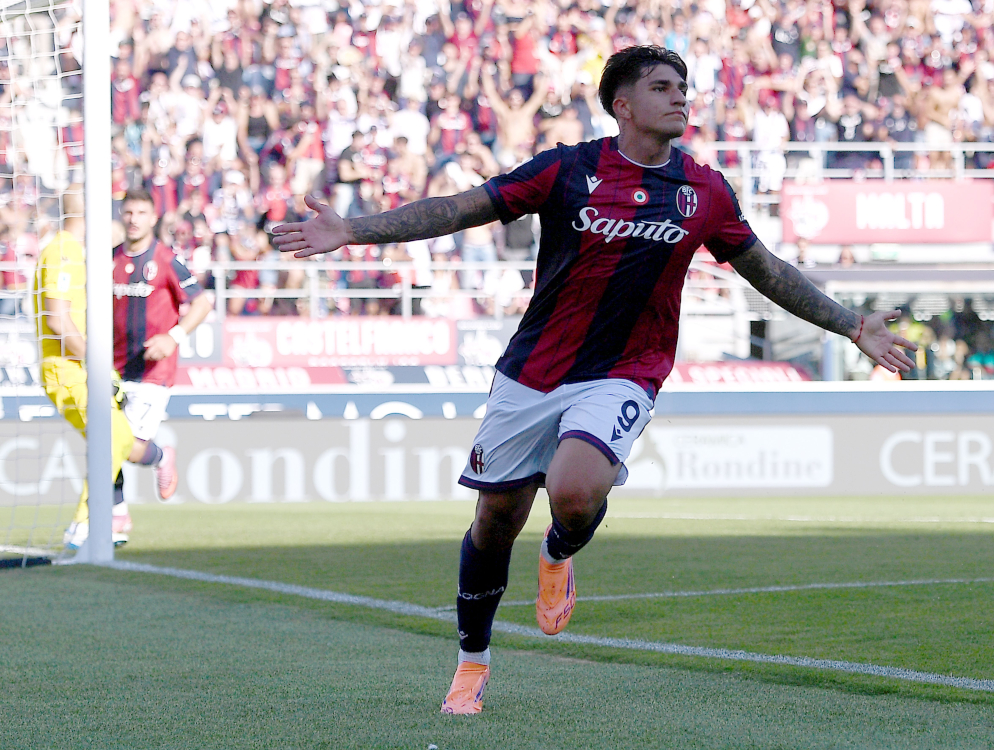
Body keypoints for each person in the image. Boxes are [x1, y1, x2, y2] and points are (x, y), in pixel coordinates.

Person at [270, 46, 916, 715]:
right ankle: (472, 663)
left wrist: (849, 324)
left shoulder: (704, 191)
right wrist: (353, 230)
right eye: (663, 87)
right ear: (623, 105)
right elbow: (462, 208)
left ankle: (558, 550)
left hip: (624, 372)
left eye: (684, 88)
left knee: (574, 493)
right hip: (533, 371)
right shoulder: (567, 169)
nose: (680, 98)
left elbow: (766, 268)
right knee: (495, 520)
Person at [34, 190, 136, 550]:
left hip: (80, 366)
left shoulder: (75, 251)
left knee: (120, 436)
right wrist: (99, 365)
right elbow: (59, 322)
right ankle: (85, 523)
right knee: (112, 436)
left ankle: (112, 513)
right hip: (68, 368)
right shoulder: (63, 251)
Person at [113, 189, 211, 528]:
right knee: (103, 443)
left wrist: (173, 337)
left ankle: (160, 455)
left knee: (122, 444)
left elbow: (202, 302)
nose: (133, 219)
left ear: (153, 218)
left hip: (153, 372)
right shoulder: (108, 259)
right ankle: (117, 514)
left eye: (141, 212)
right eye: (128, 212)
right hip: (111, 369)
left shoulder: (166, 259)